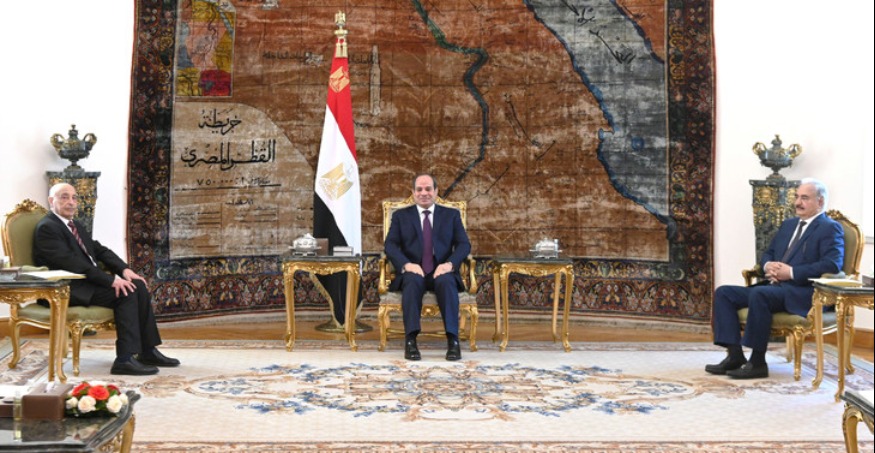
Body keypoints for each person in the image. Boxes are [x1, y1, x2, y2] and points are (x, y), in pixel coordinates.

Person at [33, 183, 180, 376]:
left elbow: (100, 250)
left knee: (137, 284)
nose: (71, 202)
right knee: (126, 293)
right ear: (51, 201)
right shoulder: (47, 228)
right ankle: (124, 359)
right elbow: (73, 264)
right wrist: (110, 281)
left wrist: (124, 270)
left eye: (74, 197)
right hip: (66, 288)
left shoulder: (73, 225)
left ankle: (147, 351)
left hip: (86, 282)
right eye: (64, 197)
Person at [707, 177, 844, 379]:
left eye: (804, 198)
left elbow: (832, 264)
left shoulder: (829, 227)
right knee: (724, 293)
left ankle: (757, 362)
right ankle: (734, 355)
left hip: (802, 292)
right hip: (775, 288)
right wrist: (768, 265)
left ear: (820, 201)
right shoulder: (788, 225)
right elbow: (769, 253)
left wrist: (791, 272)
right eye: (797, 197)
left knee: (760, 294)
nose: (798, 202)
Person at [384, 174, 472, 361]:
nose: (424, 193)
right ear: (413, 192)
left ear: (436, 191)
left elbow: (464, 245)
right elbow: (390, 245)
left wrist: (450, 264)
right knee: (412, 282)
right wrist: (407, 265)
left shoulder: (451, 215)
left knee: (447, 282)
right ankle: (410, 341)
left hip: (441, 270)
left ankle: (453, 341)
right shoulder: (401, 216)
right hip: (414, 270)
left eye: (428, 189)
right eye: (419, 189)